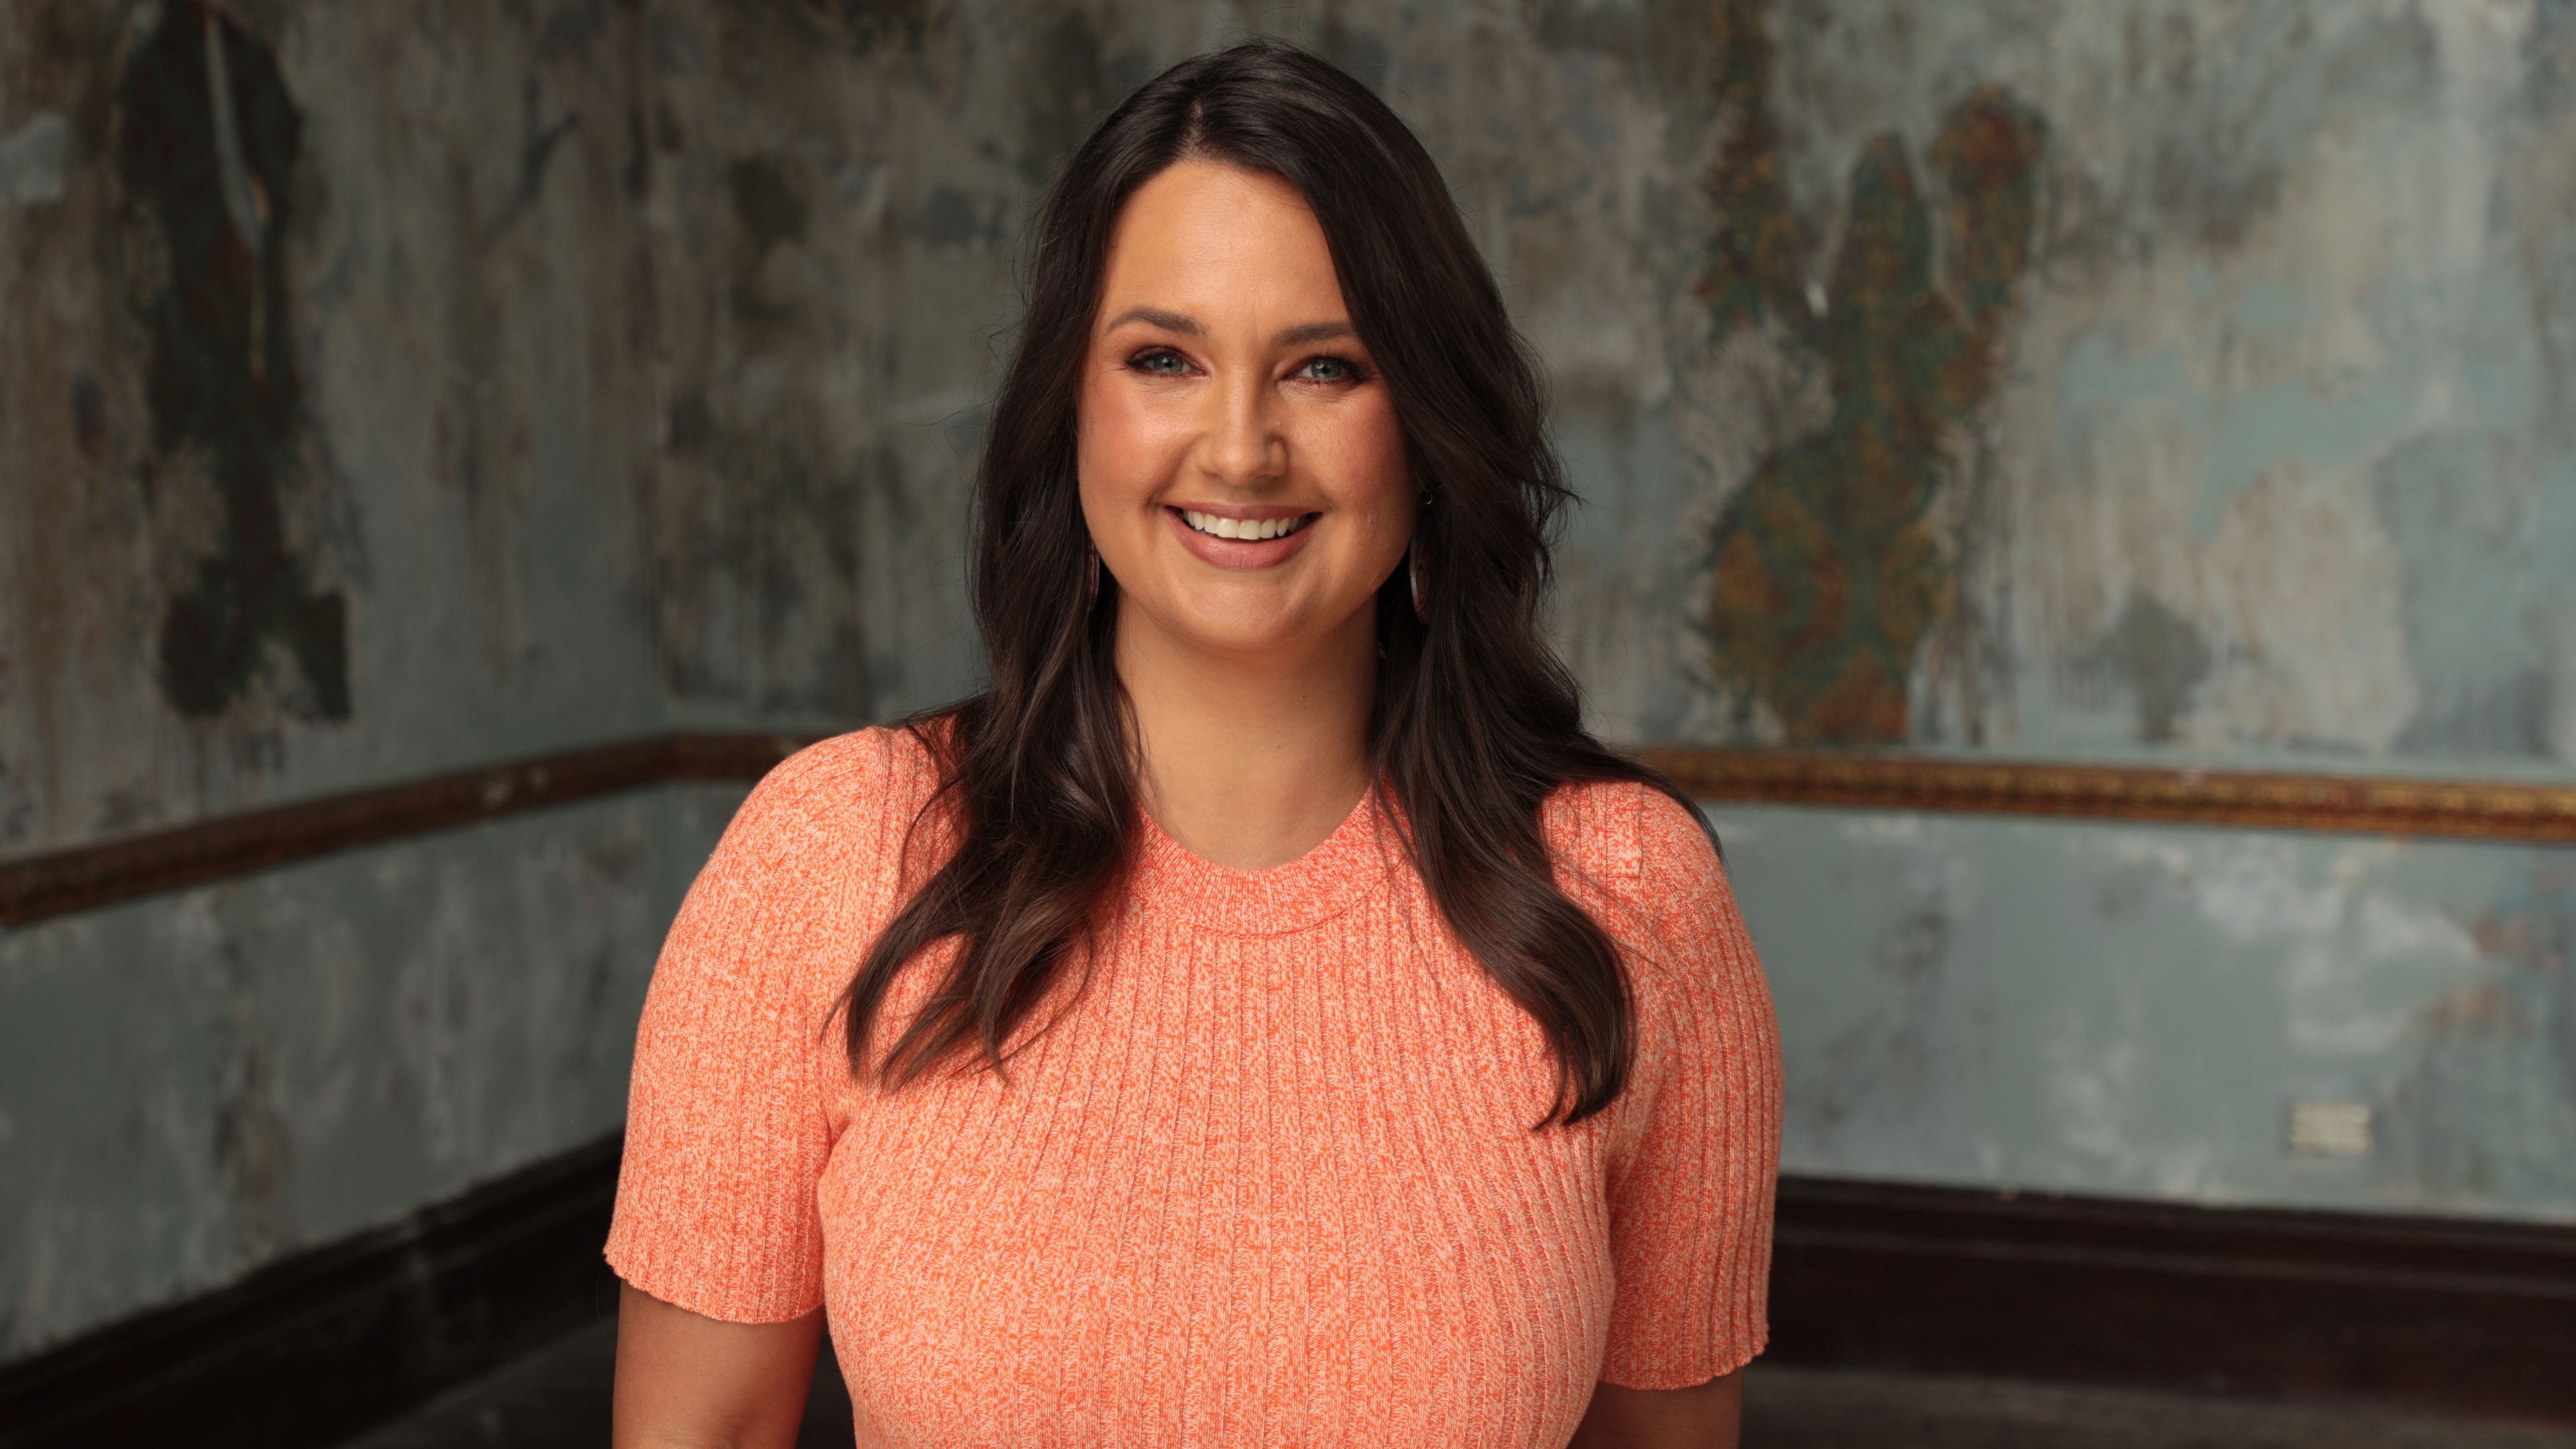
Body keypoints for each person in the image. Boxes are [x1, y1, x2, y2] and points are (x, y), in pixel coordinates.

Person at [604, 37, 1780, 1449]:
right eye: (1164, 358)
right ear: (1071, 404)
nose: (1238, 449)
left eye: (1325, 368)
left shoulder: (1629, 898)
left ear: (1425, 420)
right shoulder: (832, 855)